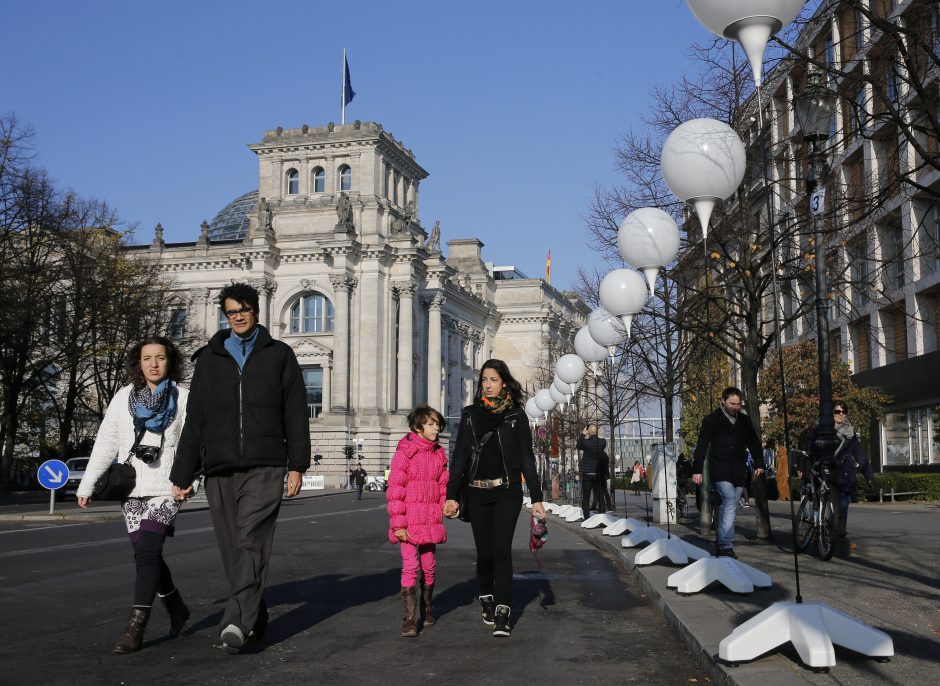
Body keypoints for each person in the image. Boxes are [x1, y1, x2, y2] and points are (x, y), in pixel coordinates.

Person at [170, 282, 310, 654]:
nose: (239, 316)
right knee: (233, 547)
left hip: (266, 464)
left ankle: (235, 621)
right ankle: (256, 613)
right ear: (225, 314)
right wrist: (182, 474)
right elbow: (195, 418)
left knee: (252, 540)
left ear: (256, 310)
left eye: (245, 309)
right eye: (232, 311)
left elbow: (295, 413)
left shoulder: (279, 355)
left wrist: (297, 464)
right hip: (219, 466)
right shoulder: (210, 359)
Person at [77, 336, 193, 654]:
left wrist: (189, 481)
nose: (153, 363)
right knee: (148, 555)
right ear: (138, 364)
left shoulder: (184, 398)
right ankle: (177, 608)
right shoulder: (123, 398)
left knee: (146, 554)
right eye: (147, 358)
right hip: (130, 488)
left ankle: (136, 626)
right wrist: (87, 484)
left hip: (167, 487)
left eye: (160, 357)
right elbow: (106, 443)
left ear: (170, 362)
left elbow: (195, 445)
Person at [443, 359, 546, 638]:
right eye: (484, 380)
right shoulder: (469, 415)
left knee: (501, 550)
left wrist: (536, 498)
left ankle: (503, 611)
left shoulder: (516, 416)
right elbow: (460, 457)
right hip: (477, 492)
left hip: (507, 491)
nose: (488, 385)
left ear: (504, 383)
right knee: (485, 552)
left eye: (493, 380)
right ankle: (486, 594)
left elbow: (526, 457)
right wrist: (451, 495)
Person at [386, 405, 448, 637]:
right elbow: (395, 490)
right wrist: (398, 525)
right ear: (418, 427)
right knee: (410, 567)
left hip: (431, 520)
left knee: (429, 567)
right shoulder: (405, 452)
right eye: (431, 424)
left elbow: (443, 486)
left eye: (438, 423)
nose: (437, 427)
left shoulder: (439, 454)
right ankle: (410, 618)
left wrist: (448, 505)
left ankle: (427, 605)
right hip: (409, 524)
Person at [692, 387, 765, 558]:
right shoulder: (712, 420)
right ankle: (725, 545)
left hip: (738, 470)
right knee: (730, 500)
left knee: (730, 505)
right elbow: (702, 445)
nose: (735, 407)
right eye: (732, 404)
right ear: (723, 401)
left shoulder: (744, 421)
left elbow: (754, 442)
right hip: (720, 468)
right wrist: (697, 470)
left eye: (738, 404)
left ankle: (721, 542)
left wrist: (759, 464)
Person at [810, 400, 874, 538]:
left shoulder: (850, 433)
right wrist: (812, 464)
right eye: (837, 411)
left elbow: (860, 454)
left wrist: (869, 475)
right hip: (827, 471)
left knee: (844, 504)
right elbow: (813, 449)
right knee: (829, 501)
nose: (841, 414)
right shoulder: (822, 429)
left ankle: (840, 531)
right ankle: (825, 528)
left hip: (845, 474)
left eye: (843, 412)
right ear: (832, 413)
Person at [577, 423, 606, 518]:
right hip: (598, 473)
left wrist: (583, 434)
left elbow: (579, 445)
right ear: (597, 432)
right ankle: (602, 516)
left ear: (588, 431)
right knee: (600, 495)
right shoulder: (603, 442)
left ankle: (586, 517)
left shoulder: (586, 442)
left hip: (587, 473)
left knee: (586, 496)